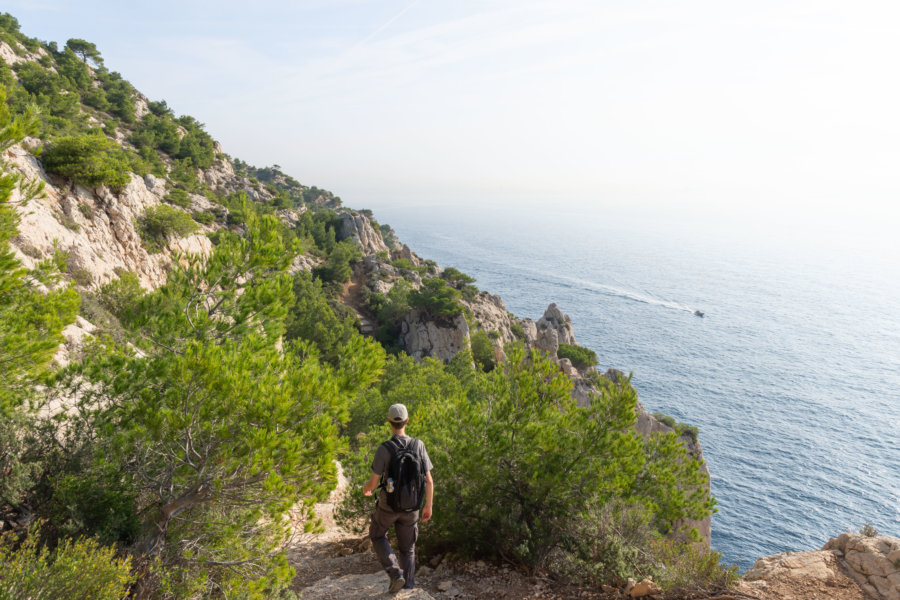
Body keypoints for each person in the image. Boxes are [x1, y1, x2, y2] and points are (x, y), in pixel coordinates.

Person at [363, 403, 434, 593]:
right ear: (407, 421)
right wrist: (428, 506)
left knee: (377, 535)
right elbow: (429, 481)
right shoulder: (419, 445)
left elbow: (373, 482)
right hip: (412, 507)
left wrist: (366, 489)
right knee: (408, 548)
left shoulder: (384, 449)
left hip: (389, 506)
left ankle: (395, 574)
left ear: (389, 422)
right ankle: (408, 588)